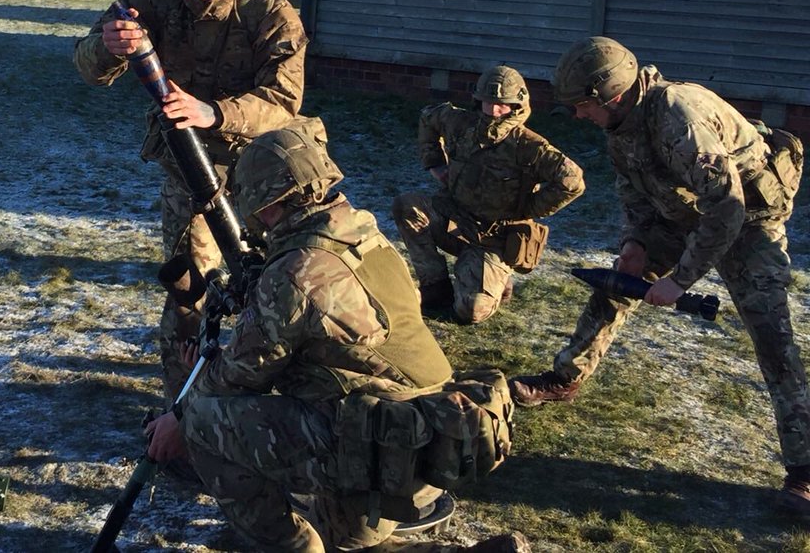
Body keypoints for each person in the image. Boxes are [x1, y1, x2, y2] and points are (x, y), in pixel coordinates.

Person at [144, 119, 530, 553]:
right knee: (345, 540)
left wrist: (177, 419)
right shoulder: (365, 233)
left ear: (267, 202)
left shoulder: (297, 270)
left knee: (201, 421)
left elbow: (240, 375)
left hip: (373, 449)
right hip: (421, 442)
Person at [509, 36, 809, 517]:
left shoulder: (678, 117)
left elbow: (727, 209)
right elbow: (635, 191)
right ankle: (565, 378)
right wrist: (635, 245)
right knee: (615, 285)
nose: (580, 116)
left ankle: (804, 471)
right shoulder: (622, 123)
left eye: (584, 106)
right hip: (683, 214)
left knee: (773, 337)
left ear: (614, 94)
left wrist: (680, 281)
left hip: (748, 221)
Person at [73, 0, 307, 401]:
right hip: (188, 172)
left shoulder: (273, 14)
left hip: (265, 174)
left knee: (275, 285)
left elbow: (284, 100)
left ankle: (271, 392)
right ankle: (185, 405)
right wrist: (110, 47)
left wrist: (213, 112)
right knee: (188, 290)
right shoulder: (154, 2)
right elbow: (89, 64)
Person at [391, 65, 585, 323]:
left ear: (517, 105)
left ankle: (493, 278)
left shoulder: (529, 145)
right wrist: (436, 164)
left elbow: (572, 181)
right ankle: (435, 286)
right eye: (488, 102)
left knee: (470, 311)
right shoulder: (461, 124)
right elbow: (429, 117)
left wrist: (528, 208)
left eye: (502, 105)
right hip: (454, 217)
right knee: (408, 207)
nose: (494, 110)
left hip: (495, 238)